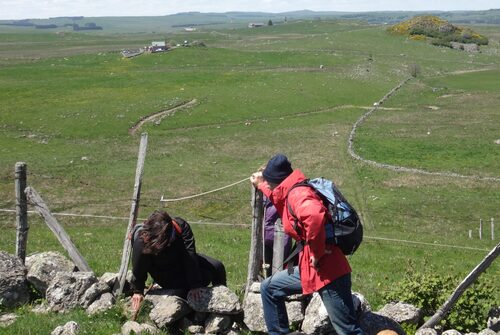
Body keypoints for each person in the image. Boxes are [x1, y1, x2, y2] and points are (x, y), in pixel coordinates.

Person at [250, 154, 364, 335]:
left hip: (329, 271)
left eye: (270, 181)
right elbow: (279, 199)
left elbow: (314, 216)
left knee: (348, 330)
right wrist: (261, 184)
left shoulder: (297, 193)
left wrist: (317, 253)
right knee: (269, 288)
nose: (269, 184)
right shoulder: (290, 192)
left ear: (279, 181)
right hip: (311, 269)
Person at [130, 210, 226, 311]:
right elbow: (139, 266)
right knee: (205, 276)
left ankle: (224, 301)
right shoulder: (143, 239)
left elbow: (190, 255)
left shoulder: (181, 227)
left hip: (181, 259)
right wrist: (138, 290)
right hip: (162, 270)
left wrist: (195, 284)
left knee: (217, 267)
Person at [263, 197, 292, 278]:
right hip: (265, 234)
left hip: (281, 233)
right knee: (266, 265)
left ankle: (279, 284)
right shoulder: (263, 194)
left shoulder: (283, 191)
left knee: (281, 266)